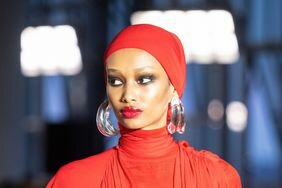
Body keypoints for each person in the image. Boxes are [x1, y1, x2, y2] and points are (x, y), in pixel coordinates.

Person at [46, 24, 241, 188]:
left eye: (145, 79)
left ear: (173, 86)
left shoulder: (215, 178)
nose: (128, 95)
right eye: (115, 81)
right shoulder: (74, 180)